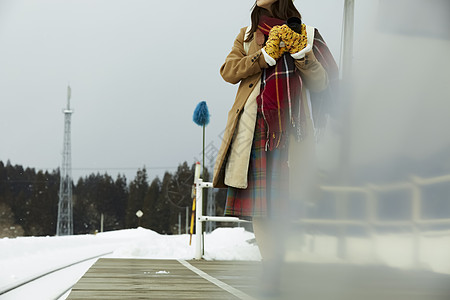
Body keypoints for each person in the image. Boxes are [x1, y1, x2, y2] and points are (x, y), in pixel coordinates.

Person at [213, 0, 338, 293]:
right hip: (253, 130)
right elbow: (228, 71)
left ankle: (283, 265)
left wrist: (301, 55)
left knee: (286, 205)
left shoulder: (307, 34)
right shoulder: (247, 34)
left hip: (292, 132)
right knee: (261, 209)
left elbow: (322, 83)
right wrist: (263, 57)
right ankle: (272, 271)